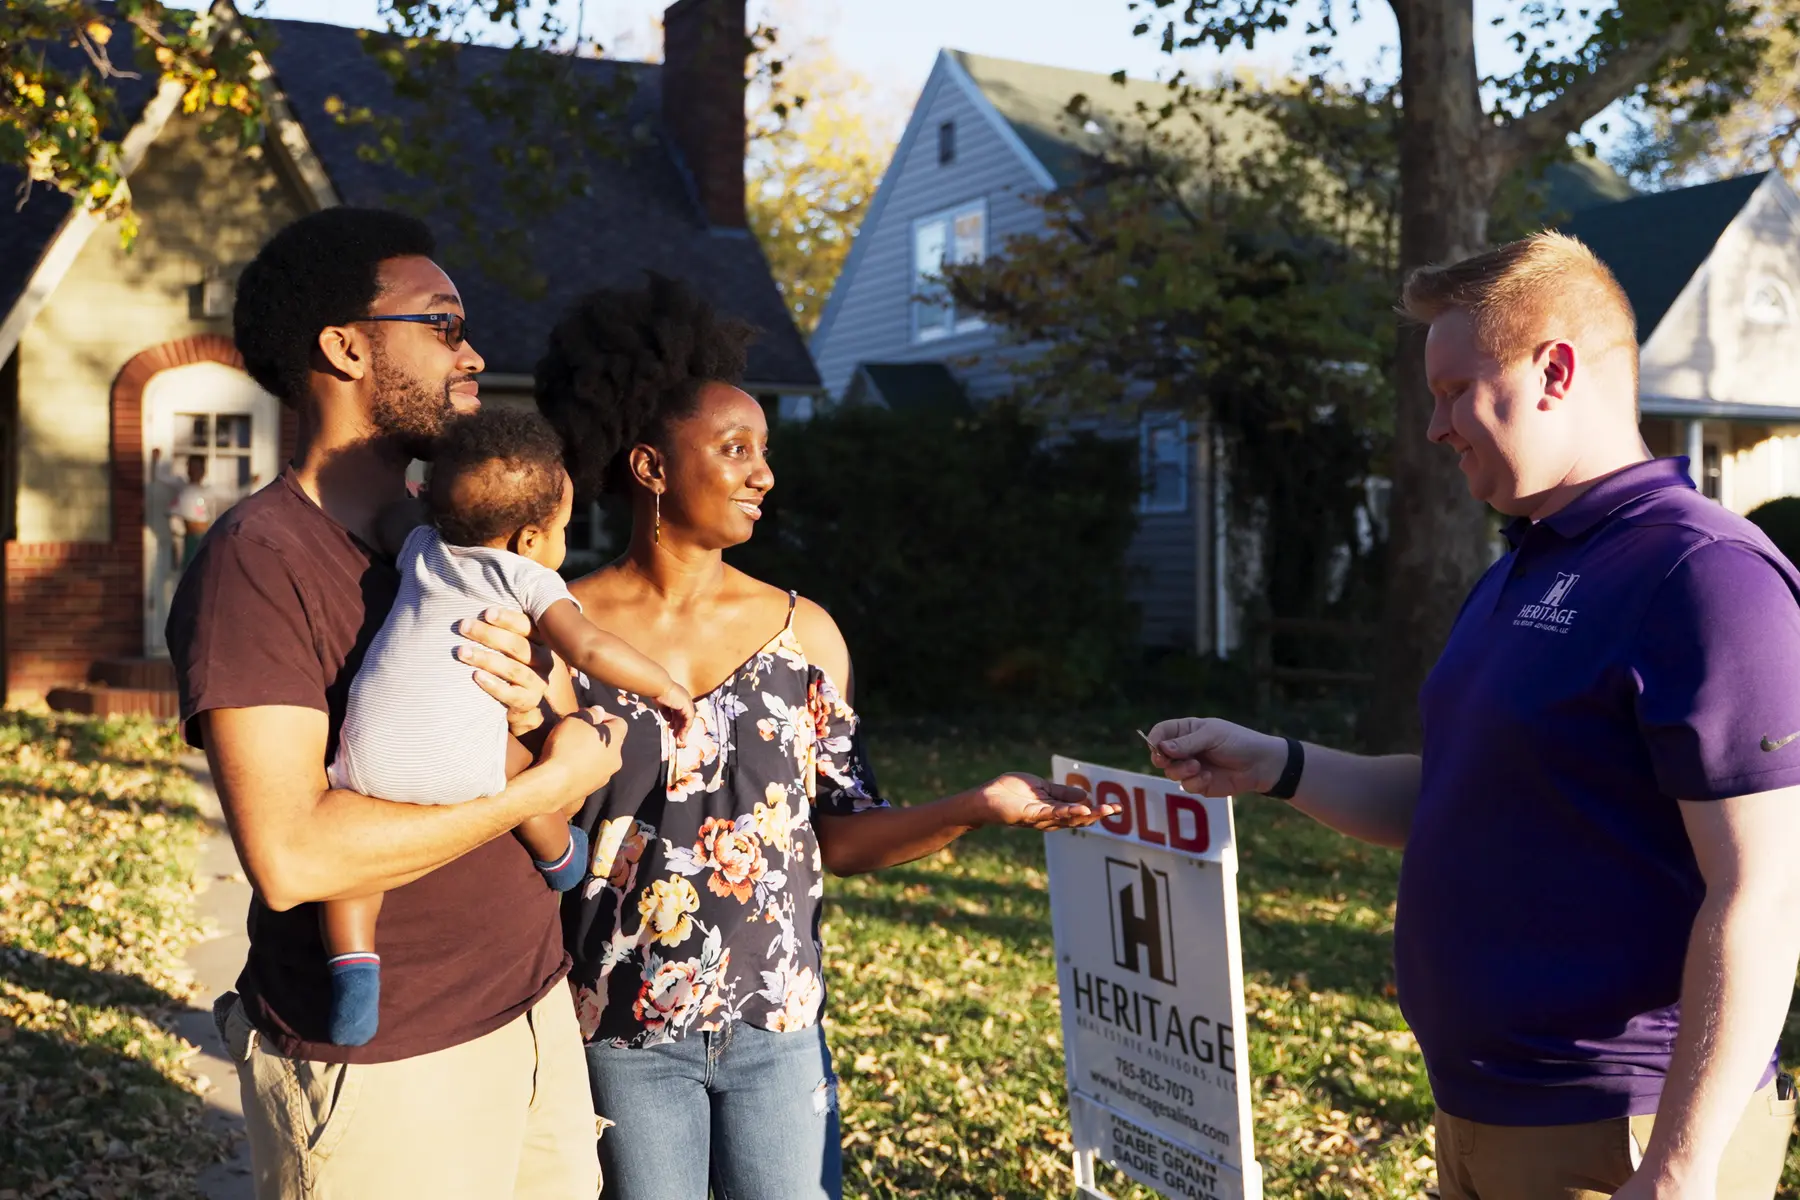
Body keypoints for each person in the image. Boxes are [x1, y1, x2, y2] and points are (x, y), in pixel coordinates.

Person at [1147, 232, 1800, 1200]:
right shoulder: (1520, 567)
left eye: (1454, 391)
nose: (1435, 427)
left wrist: (1681, 1168)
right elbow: (1459, 789)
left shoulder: (1704, 576)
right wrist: (1276, 764)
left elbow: (1762, 894)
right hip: (1478, 1111)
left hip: (1621, 1129)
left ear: (1556, 371)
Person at [533, 273, 1118, 1200]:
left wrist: (980, 807)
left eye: (765, 449)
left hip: (778, 1030)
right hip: (616, 1036)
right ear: (649, 466)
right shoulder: (561, 628)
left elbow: (840, 834)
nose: (764, 473)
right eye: (734, 449)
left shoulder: (807, 637)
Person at [165, 207, 626, 1200]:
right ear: (343, 346)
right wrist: (548, 783)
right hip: (387, 1073)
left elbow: (543, 721)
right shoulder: (260, 562)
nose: (475, 353)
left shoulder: (454, 535)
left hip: (532, 1014)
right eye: (445, 324)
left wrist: (558, 726)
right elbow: (297, 859)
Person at [320, 404, 697, 1046]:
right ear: (528, 539)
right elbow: (590, 648)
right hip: (465, 768)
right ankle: (557, 853)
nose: (563, 543)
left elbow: (391, 514)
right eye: (563, 528)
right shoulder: (525, 575)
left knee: (356, 872)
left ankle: (353, 962)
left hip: (365, 755)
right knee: (519, 764)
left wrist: (429, 501)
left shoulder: (421, 546)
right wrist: (664, 685)